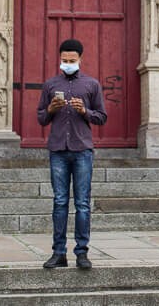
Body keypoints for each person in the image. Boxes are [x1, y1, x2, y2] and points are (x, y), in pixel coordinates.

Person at [36, 38, 107, 270]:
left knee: (83, 204)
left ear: (80, 60)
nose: (67, 63)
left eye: (72, 60)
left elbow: (101, 117)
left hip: (82, 150)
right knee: (59, 202)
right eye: (64, 60)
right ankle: (58, 253)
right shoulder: (49, 85)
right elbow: (40, 118)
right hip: (57, 150)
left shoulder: (91, 85)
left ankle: (82, 253)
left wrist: (84, 111)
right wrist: (50, 109)